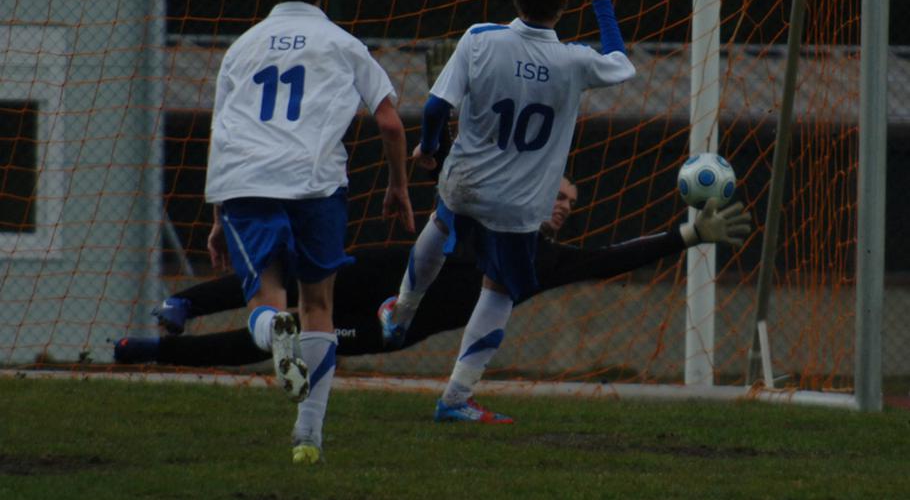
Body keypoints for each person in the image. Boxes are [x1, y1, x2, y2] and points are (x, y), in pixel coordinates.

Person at [377, 0, 636, 424]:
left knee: (440, 221)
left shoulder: (480, 38)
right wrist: (602, 1)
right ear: (563, 5)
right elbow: (621, 63)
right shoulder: (575, 60)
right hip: (519, 205)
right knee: (497, 291)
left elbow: (437, 107)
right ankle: (455, 398)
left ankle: (399, 313)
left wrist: (429, 150)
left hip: (466, 182)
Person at [114, 179, 750, 366]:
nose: (560, 204)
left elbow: (616, 257)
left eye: (570, 202)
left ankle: (148, 353)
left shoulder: (545, 261)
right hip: (386, 269)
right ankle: (185, 305)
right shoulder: (488, 213)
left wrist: (687, 234)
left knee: (294, 347)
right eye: (555, 192)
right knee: (295, 272)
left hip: (394, 329)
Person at [203, 0, 414, 465]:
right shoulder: (344, 44)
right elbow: (389, 122)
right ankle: (308, 436)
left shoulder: (242, 47)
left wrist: (217, 214)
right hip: (317, 184)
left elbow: (221, 129)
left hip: (246, 181)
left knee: (266, 299)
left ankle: (273, 330)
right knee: (319, 305)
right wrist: (399, 186)